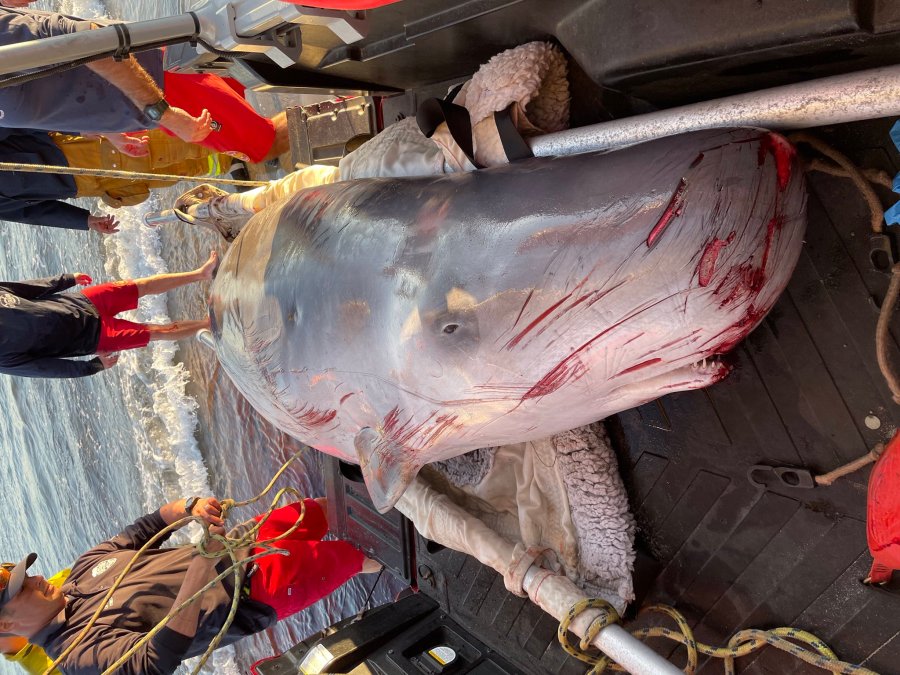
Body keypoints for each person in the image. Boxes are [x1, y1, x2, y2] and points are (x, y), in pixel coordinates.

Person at [0, 496, 380, 674]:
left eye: (25, 575)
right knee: (358, 551)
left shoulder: (80, 573)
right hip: (255, 593)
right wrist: (201, 569)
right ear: (5, 626)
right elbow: (154, 661)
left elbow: (142, 530)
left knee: (329, 507)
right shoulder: (78, 658)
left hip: (240, 541)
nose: (35, 578)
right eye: (22, 588)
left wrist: (187, 508)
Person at [0, 7, 289, 164]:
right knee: (257, 83)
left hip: (162, 84)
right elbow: (45, 100)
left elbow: (84, 39)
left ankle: (335, 108)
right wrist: (107, 130)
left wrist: (163, 113)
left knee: (264, 144)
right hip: (149, 100)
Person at [0, 251, 219, 378]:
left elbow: (26, 288)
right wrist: (92, 366)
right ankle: (207, 324)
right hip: (92, 337)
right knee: (156, 331)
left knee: (139, 286)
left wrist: (66, 279)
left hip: (81, 301)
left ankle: (201, 274)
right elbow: (43, 369)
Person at [0, 128, 230, 233]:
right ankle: (235, 157)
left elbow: (15, 118)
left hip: (79, 150)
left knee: (174, 145)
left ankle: (250, 137)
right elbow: (29, 213)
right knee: (172, 173)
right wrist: (85, 220)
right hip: (85, 186)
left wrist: (78, 125)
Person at [0, 569, 69, 675]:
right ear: (3, 624)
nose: (40, 577)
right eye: (21, 589)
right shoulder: (55, 668)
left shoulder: (47, 589)